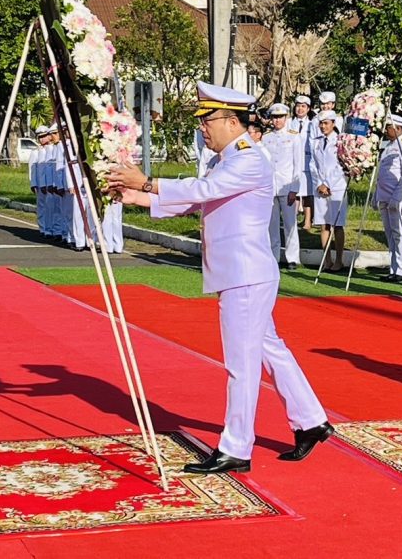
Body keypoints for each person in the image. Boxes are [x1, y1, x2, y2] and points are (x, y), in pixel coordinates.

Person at [107, 81, 333, 474]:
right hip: (242, 271)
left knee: (241, 363)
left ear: (231, 121)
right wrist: (135, 197)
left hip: (244, 272)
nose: (203, 128)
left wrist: (145, 182)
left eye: (207, 120)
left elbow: (204, 189)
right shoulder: (227, 159)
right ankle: (311, 421)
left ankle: (236, 447)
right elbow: (197, 200)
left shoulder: (247, 158)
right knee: (268, 349)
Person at [262, 103, 303, 268]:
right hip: (270, 187)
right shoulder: (266, 137)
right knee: (272, 225)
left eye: (280, 117)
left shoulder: (294, 136)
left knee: (290, 224)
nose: (277, 120)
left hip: (286, 185)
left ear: (286, 118)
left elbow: (298, 165)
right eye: (274, 117)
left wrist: (294, 189)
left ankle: (292, 258)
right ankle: (274, 256)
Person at [376, 114, 402, 282]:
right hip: (384, 196)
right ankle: (394, 267)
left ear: (398, 128)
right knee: (390, 233)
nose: (385, 130)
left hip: (396, 196)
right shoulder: (390, 145)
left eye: (389, 127)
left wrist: (398, 198)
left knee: (400, 233)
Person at [310, 109, 347, 271]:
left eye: (326, 123)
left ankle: (339, 260)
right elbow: (313, 165)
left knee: (337, 225)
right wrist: (319, 183)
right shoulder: (316, 142)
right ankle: (327, 260)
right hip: (320, 188)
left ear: (333, 123)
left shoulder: (340, 141)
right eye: (321, 123)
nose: (323, 126)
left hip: (336, 187)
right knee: (323, 224)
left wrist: (328, 184)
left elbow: (341, 166)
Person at [289, 95, 313, 226]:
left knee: (308, 193)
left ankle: (307, 220)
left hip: (307, 162)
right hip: (293, 161)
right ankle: (293, 217)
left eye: (303, 106)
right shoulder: (289, 123)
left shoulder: (312, 124)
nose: (300, 109)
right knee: (295, 192)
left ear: (308, 109)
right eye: (298, 106)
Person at [29, 126, 50, 236]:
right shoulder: (36, 152)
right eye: (40, 137)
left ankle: (52, 229)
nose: (42, 139)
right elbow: (32, 170)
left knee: (52, 207)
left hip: (51, 183)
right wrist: (33, 184)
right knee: (42, 206)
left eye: (44, 136)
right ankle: (43, 228)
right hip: (40, 183)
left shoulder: (53, 149)